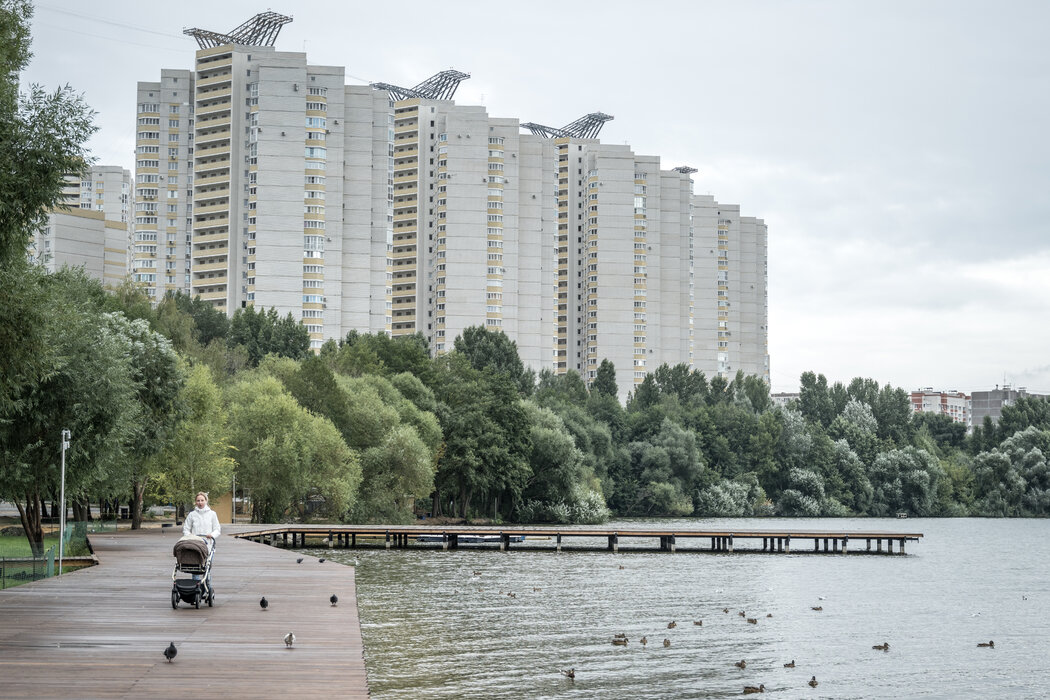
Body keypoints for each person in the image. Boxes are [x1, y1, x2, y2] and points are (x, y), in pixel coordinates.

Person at [182, 492, 220, 584]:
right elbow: (186, 529)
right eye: (198, 501)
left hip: (208, 546)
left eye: (202, 500)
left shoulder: (212, 514)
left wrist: (212, 535)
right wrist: (190, 536)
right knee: (196, 568)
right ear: (195, 502)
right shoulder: (192, 515)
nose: (200, 502)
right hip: (195, 545)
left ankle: (207, 587)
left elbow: (217, 529)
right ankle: (195, 587)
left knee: (206, 568)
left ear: (206, 501)